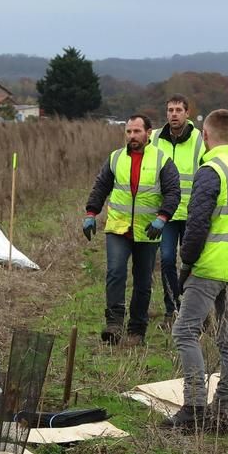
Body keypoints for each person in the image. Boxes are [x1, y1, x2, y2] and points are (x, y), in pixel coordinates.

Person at [164, 109, 228, 432]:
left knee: (185, 331)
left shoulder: (210, 170)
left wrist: (186, 265)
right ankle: (223, 411)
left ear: (205, 136)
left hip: (210, 265)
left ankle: (194, 408)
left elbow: (197, 223)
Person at [82, 114, 179, 346]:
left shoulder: (162, 160)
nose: (132, 136)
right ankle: (114, 324)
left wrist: (163, 217)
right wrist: (90, 213)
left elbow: (173, 192)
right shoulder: (115, 158)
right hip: (118, 227)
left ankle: (137, 330)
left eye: (137, 131)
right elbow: (101, 186)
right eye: (129, 132)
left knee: (143, 281)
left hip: (148, 230)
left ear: (148, 133)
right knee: (115, 272)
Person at [150, 95, 204, 329]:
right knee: (168, 259)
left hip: (193, 213)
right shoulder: (154, 139)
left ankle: (195, 311)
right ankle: (172, 308)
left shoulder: (199, 140)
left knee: (193, 263)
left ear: (187, 113)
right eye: (170, 110)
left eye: (178, 110)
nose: (174, 114)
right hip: (167, 213)